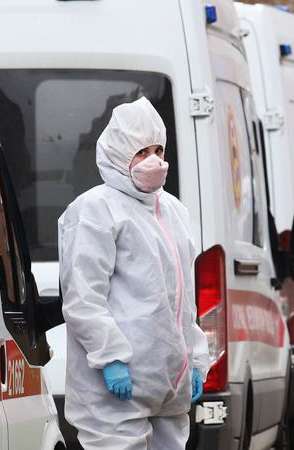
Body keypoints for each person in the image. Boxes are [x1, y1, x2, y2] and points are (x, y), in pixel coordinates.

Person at [58, 97, 210, 449]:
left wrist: (196, 358)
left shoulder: (172, 210)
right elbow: (84, 297)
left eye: (158, 150)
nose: (154, 160)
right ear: (118, 153)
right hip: (114, 388)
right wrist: (111, 358)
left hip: (168, 384)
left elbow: (182, 300)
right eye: (141, 152)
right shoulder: (95, 209)